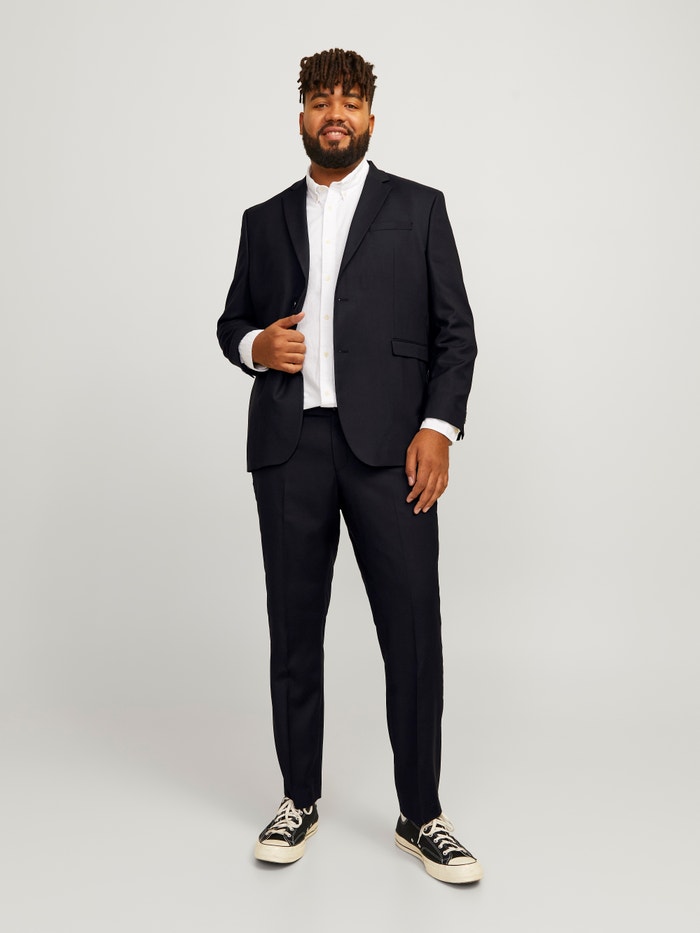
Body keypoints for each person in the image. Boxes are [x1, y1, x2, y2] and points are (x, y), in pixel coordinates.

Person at [217, 48, 481, 884]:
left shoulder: (419, 208)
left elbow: (456, 332)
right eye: (321, 100)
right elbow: (231, 321)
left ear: (370, 116)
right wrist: (257, 346)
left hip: (391, 452)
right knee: (294, 630)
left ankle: (421, 813)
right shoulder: (263, 220)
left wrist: (437, 427)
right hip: (289, 449)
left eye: (351, 100)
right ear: (302, 116)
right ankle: (298, 797)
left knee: (412, 631)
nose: (336, 113)